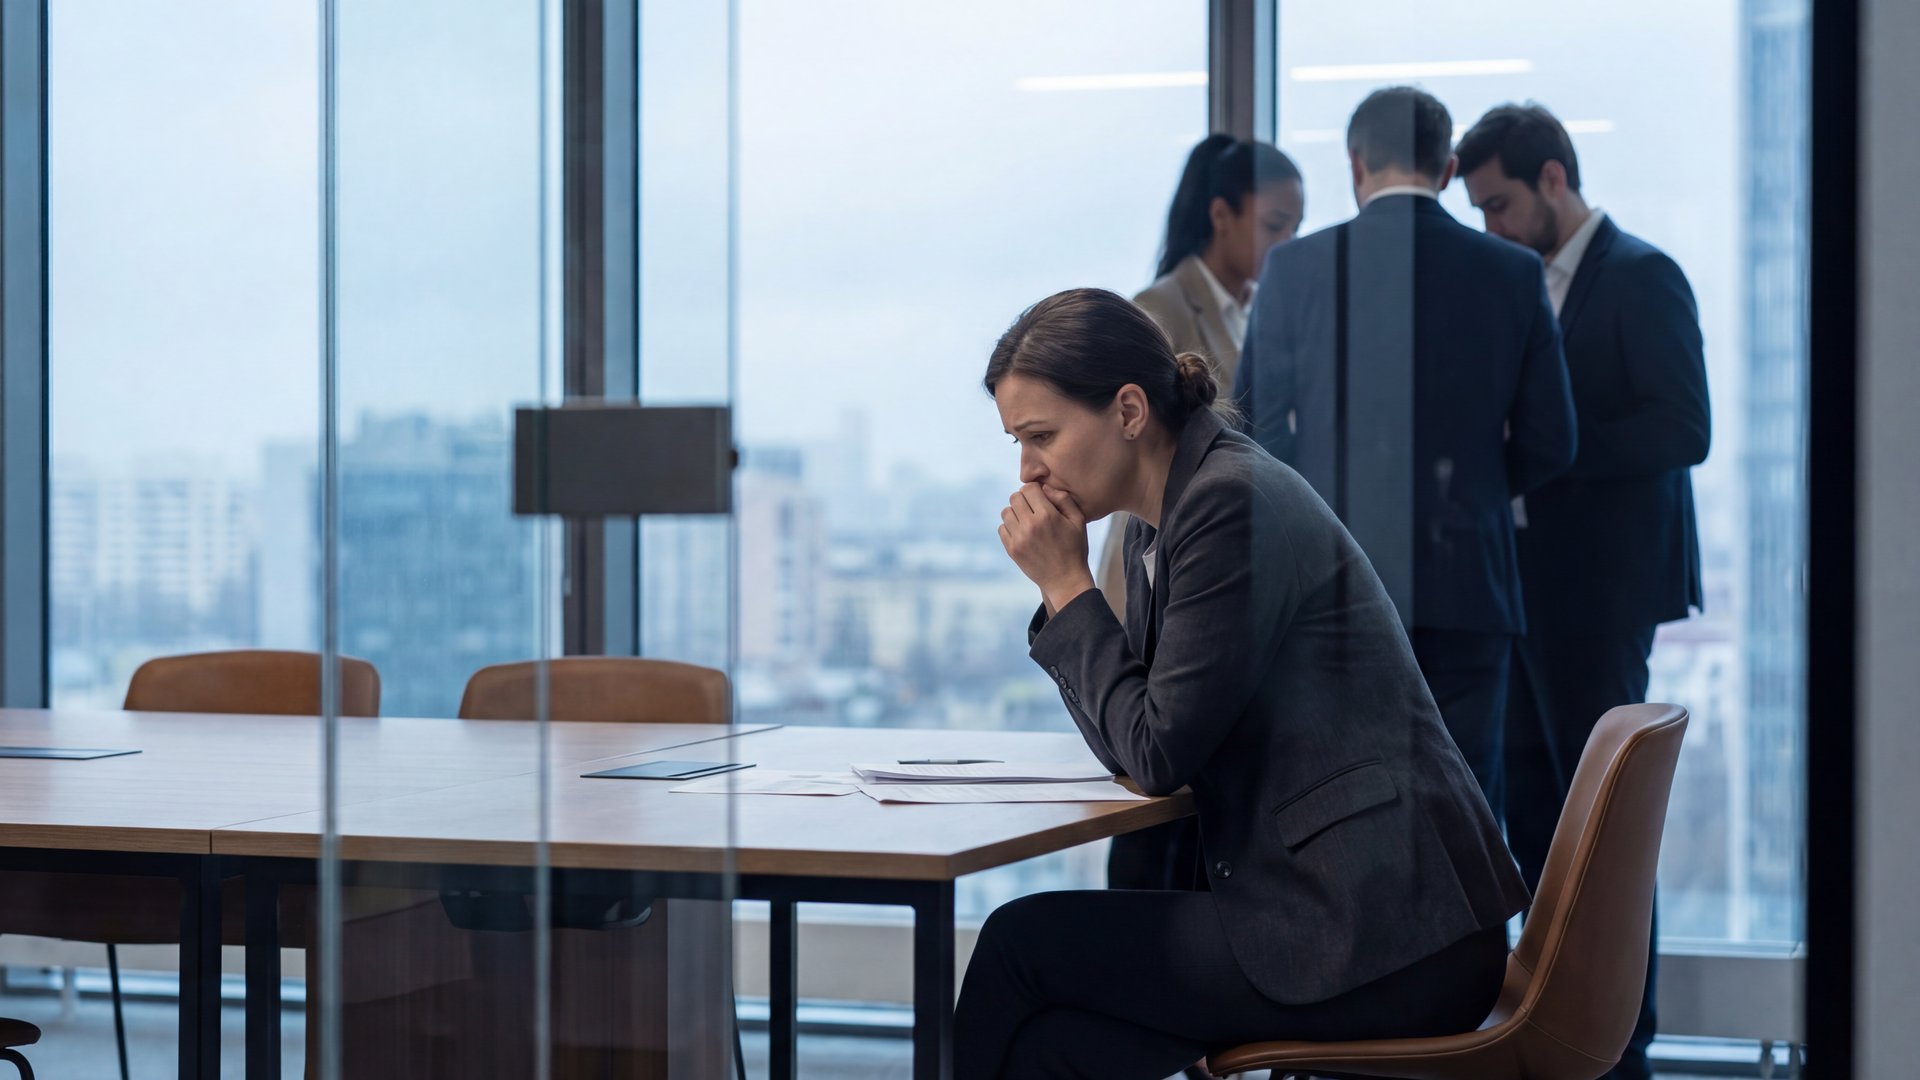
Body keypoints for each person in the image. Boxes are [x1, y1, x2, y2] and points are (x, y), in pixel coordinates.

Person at [957, 287, 1529, 1079]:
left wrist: (1066, 591)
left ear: (1128, 410)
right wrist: (1073, 598)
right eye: (1018, 442)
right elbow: (1136, 740)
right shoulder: (1171, 515)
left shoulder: (1228, 506)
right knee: (1051, 1045)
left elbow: (1156, 754)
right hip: (1356, 915)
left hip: (1385, 935)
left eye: (1040, 435)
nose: (1026, 469)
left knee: (1018, 946)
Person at [1234, 86, 1576, 820]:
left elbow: (1255, 428)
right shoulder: (1513, 274)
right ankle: (1469, 941)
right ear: (1448, 168)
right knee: (1462, 812)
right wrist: (1478, 487)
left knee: (1340, 810)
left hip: (1330, 585)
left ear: (1356, 164)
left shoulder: (1295, 270)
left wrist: (1321, 495)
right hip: (1468, 587)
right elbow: (1555, 439)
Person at [1457, 102, 1710, 1080]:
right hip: (1522, 595)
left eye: (1501, 205)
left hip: (1600, 598)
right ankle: (1551, 1035)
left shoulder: (1641, 277)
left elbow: (1683, 428)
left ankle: (1622, 1046)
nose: (1493, 226)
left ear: (1555, 180)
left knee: (1609, 836)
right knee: (1535, 822)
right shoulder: (1519, 286)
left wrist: (1545, 452)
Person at [1100, 134, 1304, 896]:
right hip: (1164, 571)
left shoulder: (1261, 312)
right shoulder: (1157, 312)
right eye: (1276, 224)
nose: (1288, 243)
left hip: (1222, 568)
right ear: (1222, 215)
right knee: (1155, 798)